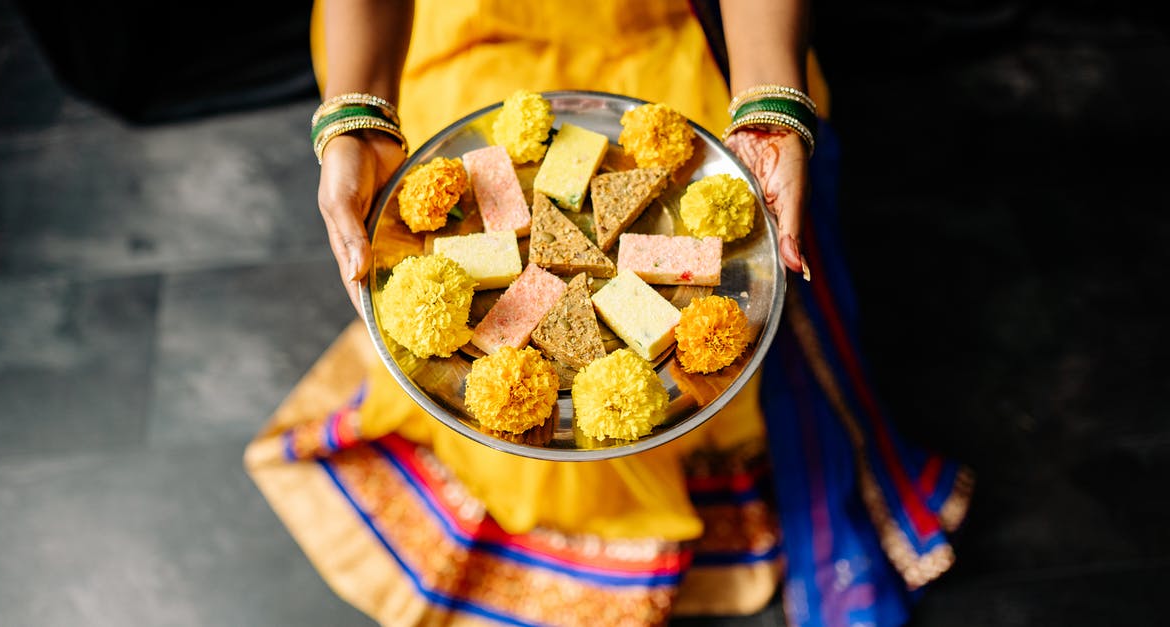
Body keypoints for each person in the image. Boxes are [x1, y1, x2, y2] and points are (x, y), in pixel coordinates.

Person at [243, 1, 974, 626]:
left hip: (675, 23)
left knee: (730, 246)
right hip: (464, 31)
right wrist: (356, 116)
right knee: (476, 275)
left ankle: (797, 466)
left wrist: (769, 99)